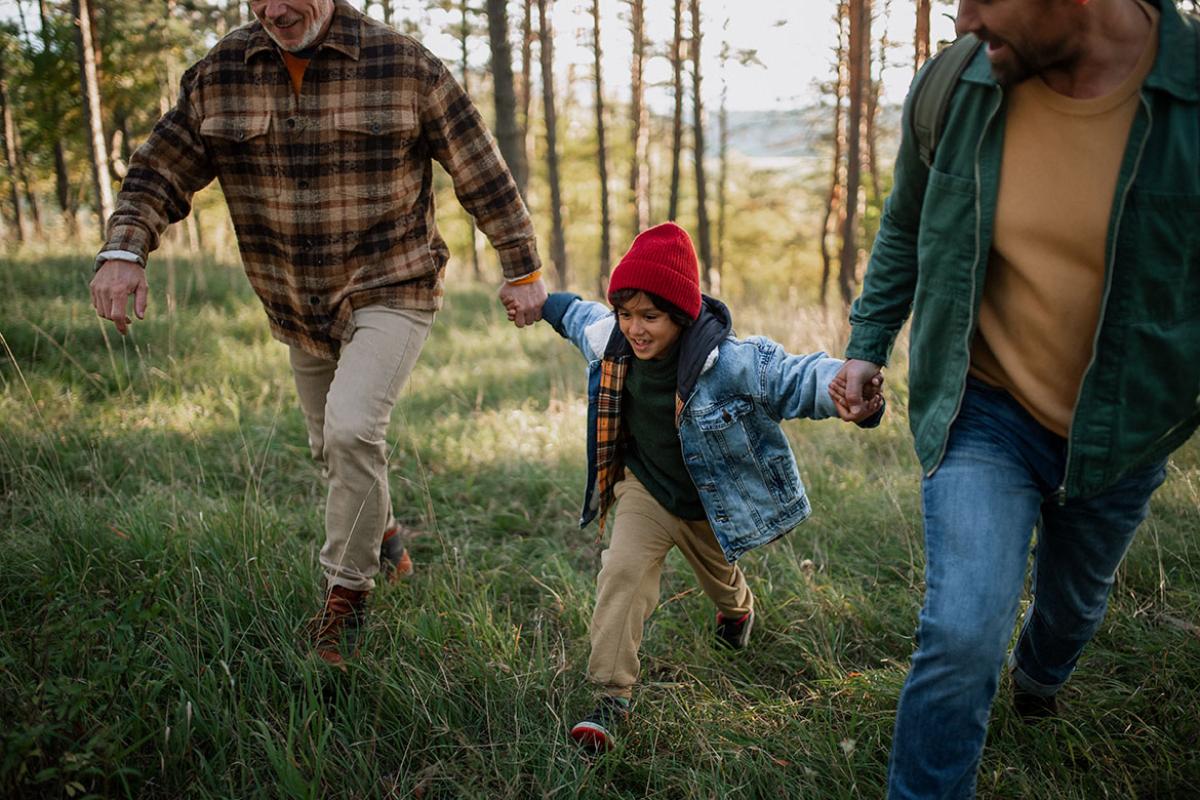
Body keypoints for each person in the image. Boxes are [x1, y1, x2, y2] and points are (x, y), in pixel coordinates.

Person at [88, 0, 546, 668]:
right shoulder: (222, 72)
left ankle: (345, 599)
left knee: (352, 430)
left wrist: (522, 268)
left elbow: (480, 169)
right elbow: (159, 168)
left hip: (393, 283)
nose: (275, 10)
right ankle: (385, 537)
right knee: (329, 446)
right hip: (295, 301)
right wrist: (125, 250)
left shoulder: (403, 65)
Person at [833, 0, 1200, 796]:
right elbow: (906, 222)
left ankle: (1039, 678)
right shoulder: (958, 83)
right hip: (984, 409)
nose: (963, 19)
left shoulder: (1189, 97)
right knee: (962, 632)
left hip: (1123, 435)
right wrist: (867, 344)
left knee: (1073, 608)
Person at [537, 222, 883, 752]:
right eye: (626, 314)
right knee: (623, 570)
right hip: (646, 491)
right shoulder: (612, 338)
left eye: (649, 317)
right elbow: (577, 315)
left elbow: (791, 377)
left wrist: (848, 392)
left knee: (723, 584)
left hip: (706, 504)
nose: (635, 328)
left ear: (680, 314)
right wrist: (540, 301)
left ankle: (737, 611)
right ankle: (611, 697)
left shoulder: (728, 363)